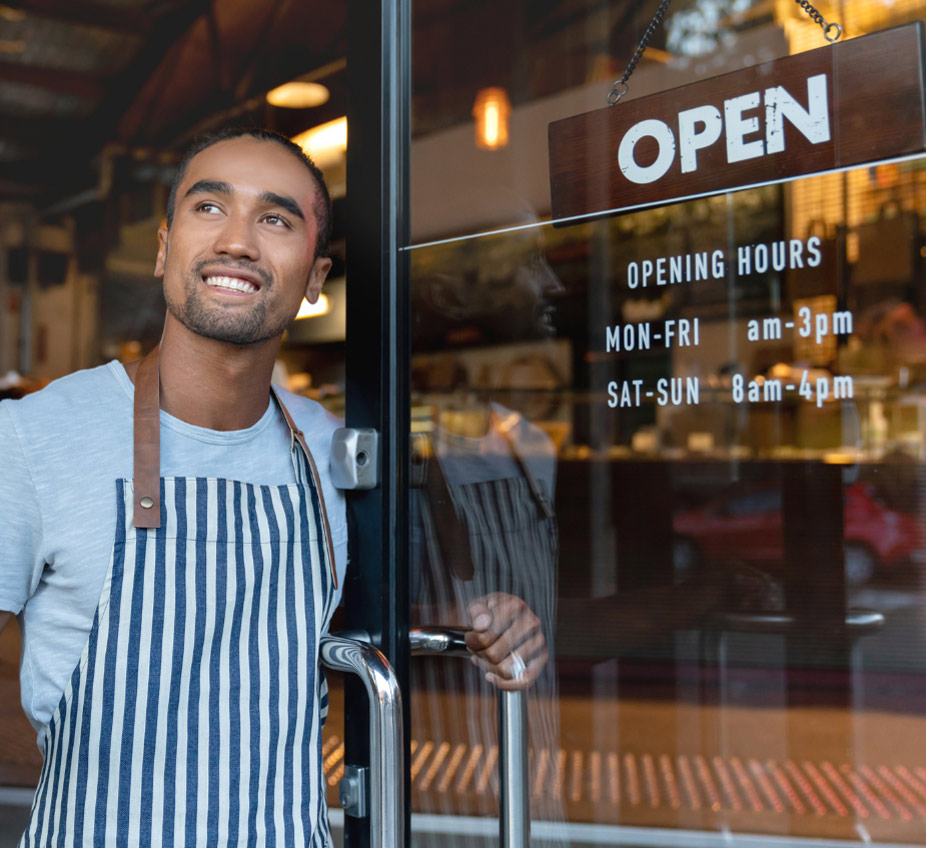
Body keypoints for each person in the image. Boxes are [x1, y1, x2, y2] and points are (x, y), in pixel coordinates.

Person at [0, 127, 545, 847]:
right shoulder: (33, 436)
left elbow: (382, 618)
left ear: (315, 279)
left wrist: (492, 622)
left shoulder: (336, 450)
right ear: (165, 249)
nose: (238, 241)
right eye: (209, 207)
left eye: (276, 219)